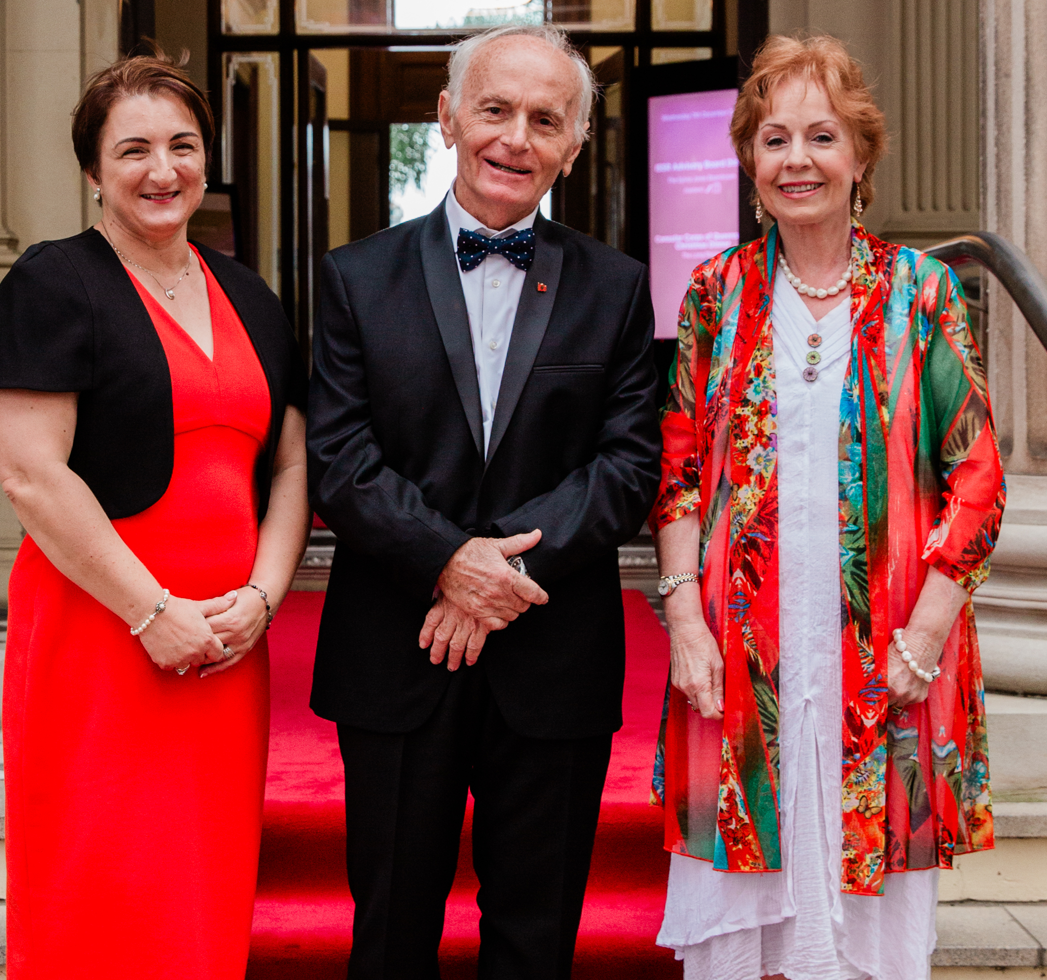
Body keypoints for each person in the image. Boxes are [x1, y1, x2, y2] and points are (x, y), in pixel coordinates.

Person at [307, 23, 662, 980]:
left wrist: (501, 570)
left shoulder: (620, 288)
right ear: (448, 117)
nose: (515, 137)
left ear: (574, 146)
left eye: (545, 120)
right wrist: (448, 562)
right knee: (390, 936)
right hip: (397, 648)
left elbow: (629, 465)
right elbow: (338, 457)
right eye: (495, 109)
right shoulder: (353, 277)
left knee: (535, 941)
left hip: (554, 655)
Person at [650, 34, 1005, 980]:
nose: (796, 160)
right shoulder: (715, 293)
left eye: (820, 136)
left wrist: (923, 639)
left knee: (864, 925)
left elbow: (977, 479)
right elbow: (678, 474)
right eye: (774, 139)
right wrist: (684, 620)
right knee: (742, 920)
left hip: (890, 652)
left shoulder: (922, 292)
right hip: (739, 654)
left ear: (860, 156)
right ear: (749, 159)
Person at [0, 51, 310, 979]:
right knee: (97, 869)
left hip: (227, 642)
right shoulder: (53, 283)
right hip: (99, 630)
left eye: (183, 146)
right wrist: (151, 612)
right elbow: (31, 476)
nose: (164, 170)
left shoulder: (249, 294)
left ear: (207, 159)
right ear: (93, 169)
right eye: (134, 150)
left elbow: (290, 463)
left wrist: (262, 598)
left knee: (201, 875)